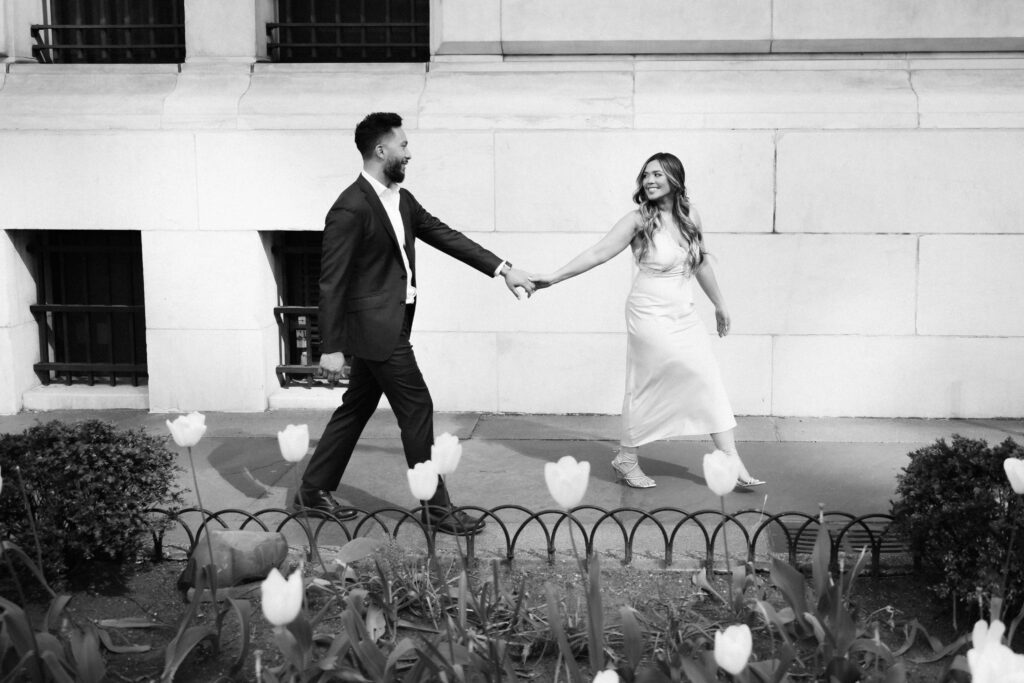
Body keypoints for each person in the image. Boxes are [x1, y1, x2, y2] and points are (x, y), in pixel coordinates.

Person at [295, 112, 536, 535]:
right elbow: (331, 282)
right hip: (376, 329)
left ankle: (313, 489)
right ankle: (435, 507)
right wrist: (330, 346)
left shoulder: (401, 200)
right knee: (416, 407)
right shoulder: (350, 206)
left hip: (394, 322)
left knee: (357, 407)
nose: (409, 152)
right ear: (380, 150)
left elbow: (445, 235)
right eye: (403, 145)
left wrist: (503, 269)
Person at [530, 152, 764, 490]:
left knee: (705, 373)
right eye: (645, 176)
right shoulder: (638, 220)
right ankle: (627, 459)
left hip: (683, 311)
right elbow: (598, 252)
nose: (649, 181)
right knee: (645, 384)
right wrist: (553, 277)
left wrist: (720, 304)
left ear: (674, 179)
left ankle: (729, 455)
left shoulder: (689, 217)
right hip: (648, 312)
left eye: (657, 175)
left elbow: (700, 264)